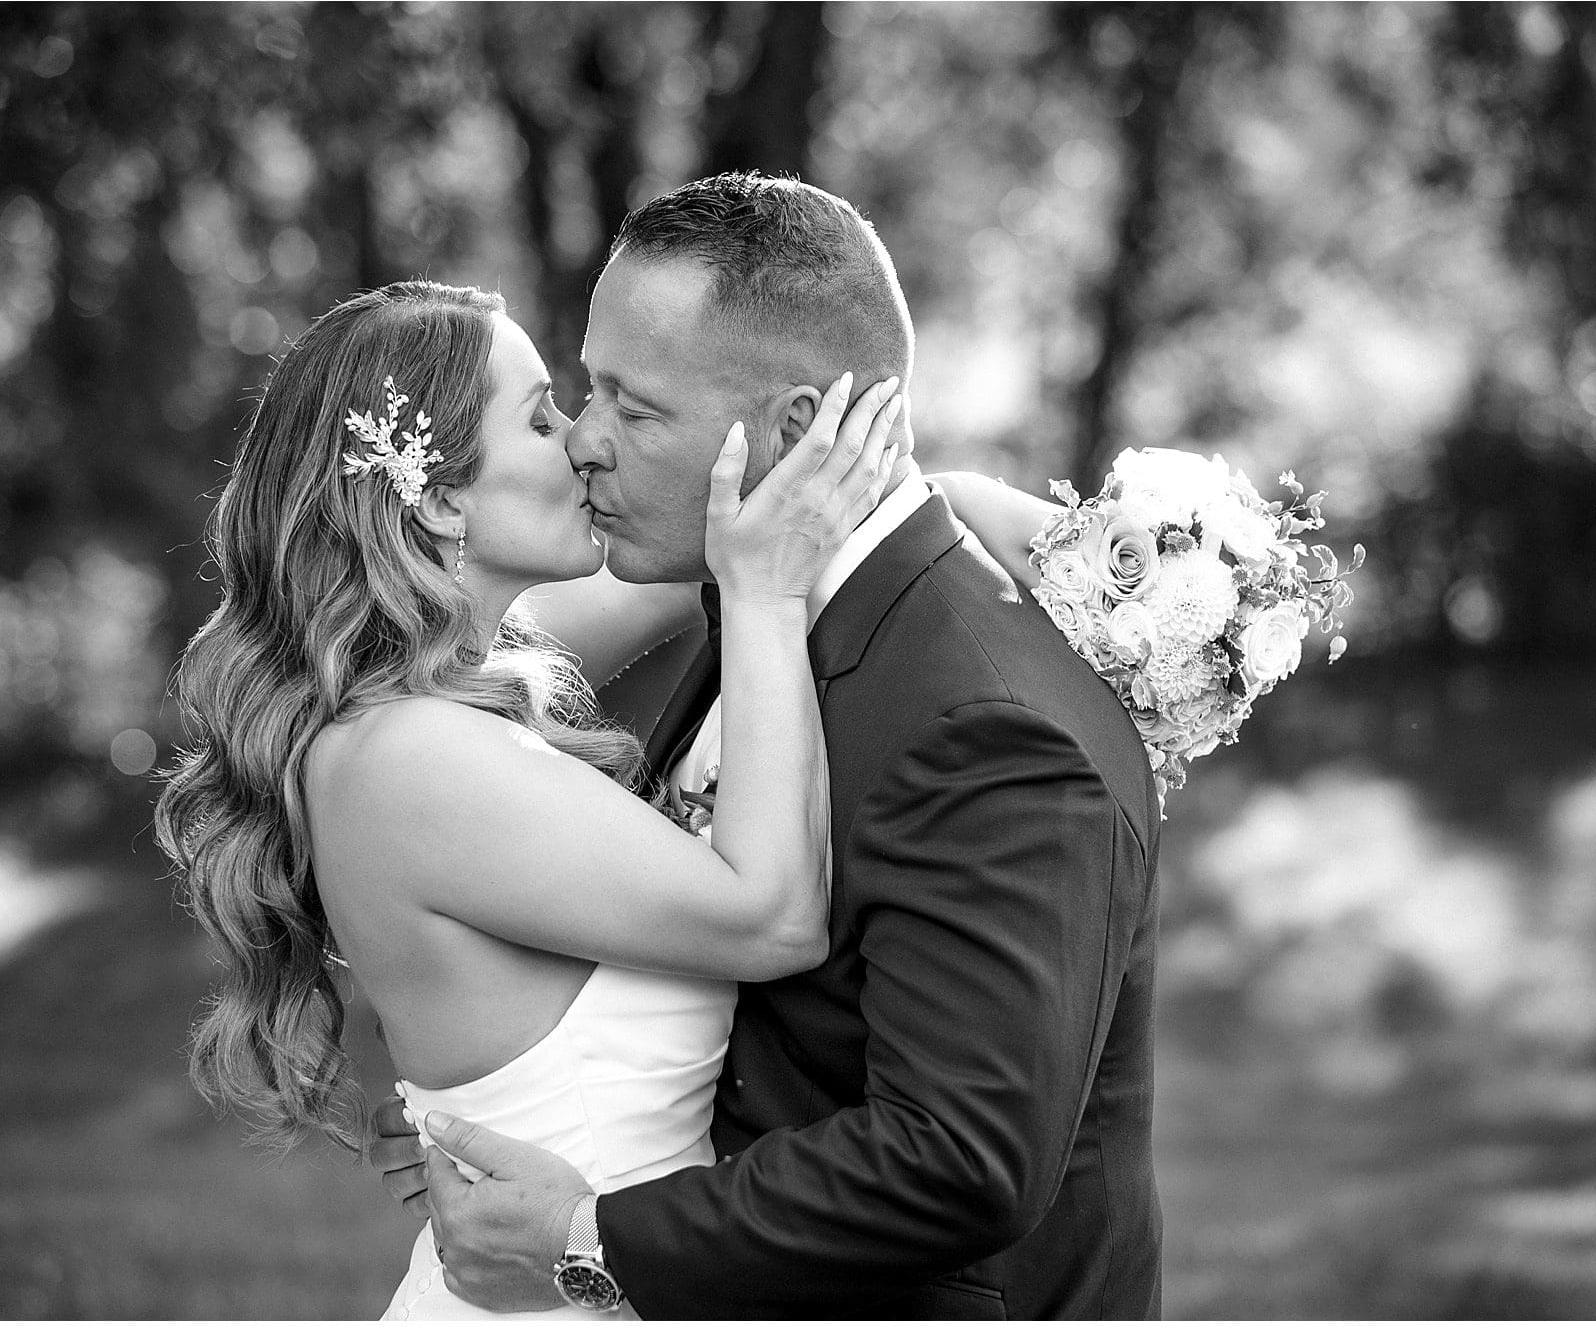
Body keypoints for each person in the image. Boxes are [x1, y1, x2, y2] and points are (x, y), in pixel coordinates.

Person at [367, 174, 1163, 1319]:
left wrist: (584, 1236)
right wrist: (500, 1094)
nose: (585, 441)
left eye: (633, 409)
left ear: (792, 428)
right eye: (585, 389)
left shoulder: (985, 724)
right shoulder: (759, 604)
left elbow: (955, 1158)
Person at [154, 276, 994, 1320]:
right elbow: (770, 914)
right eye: (542, 413)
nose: (586, 438)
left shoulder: (437, 694)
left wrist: (947, 501)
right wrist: (766, 597)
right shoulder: (406, 756)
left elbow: (696, 547)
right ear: (441, 497)